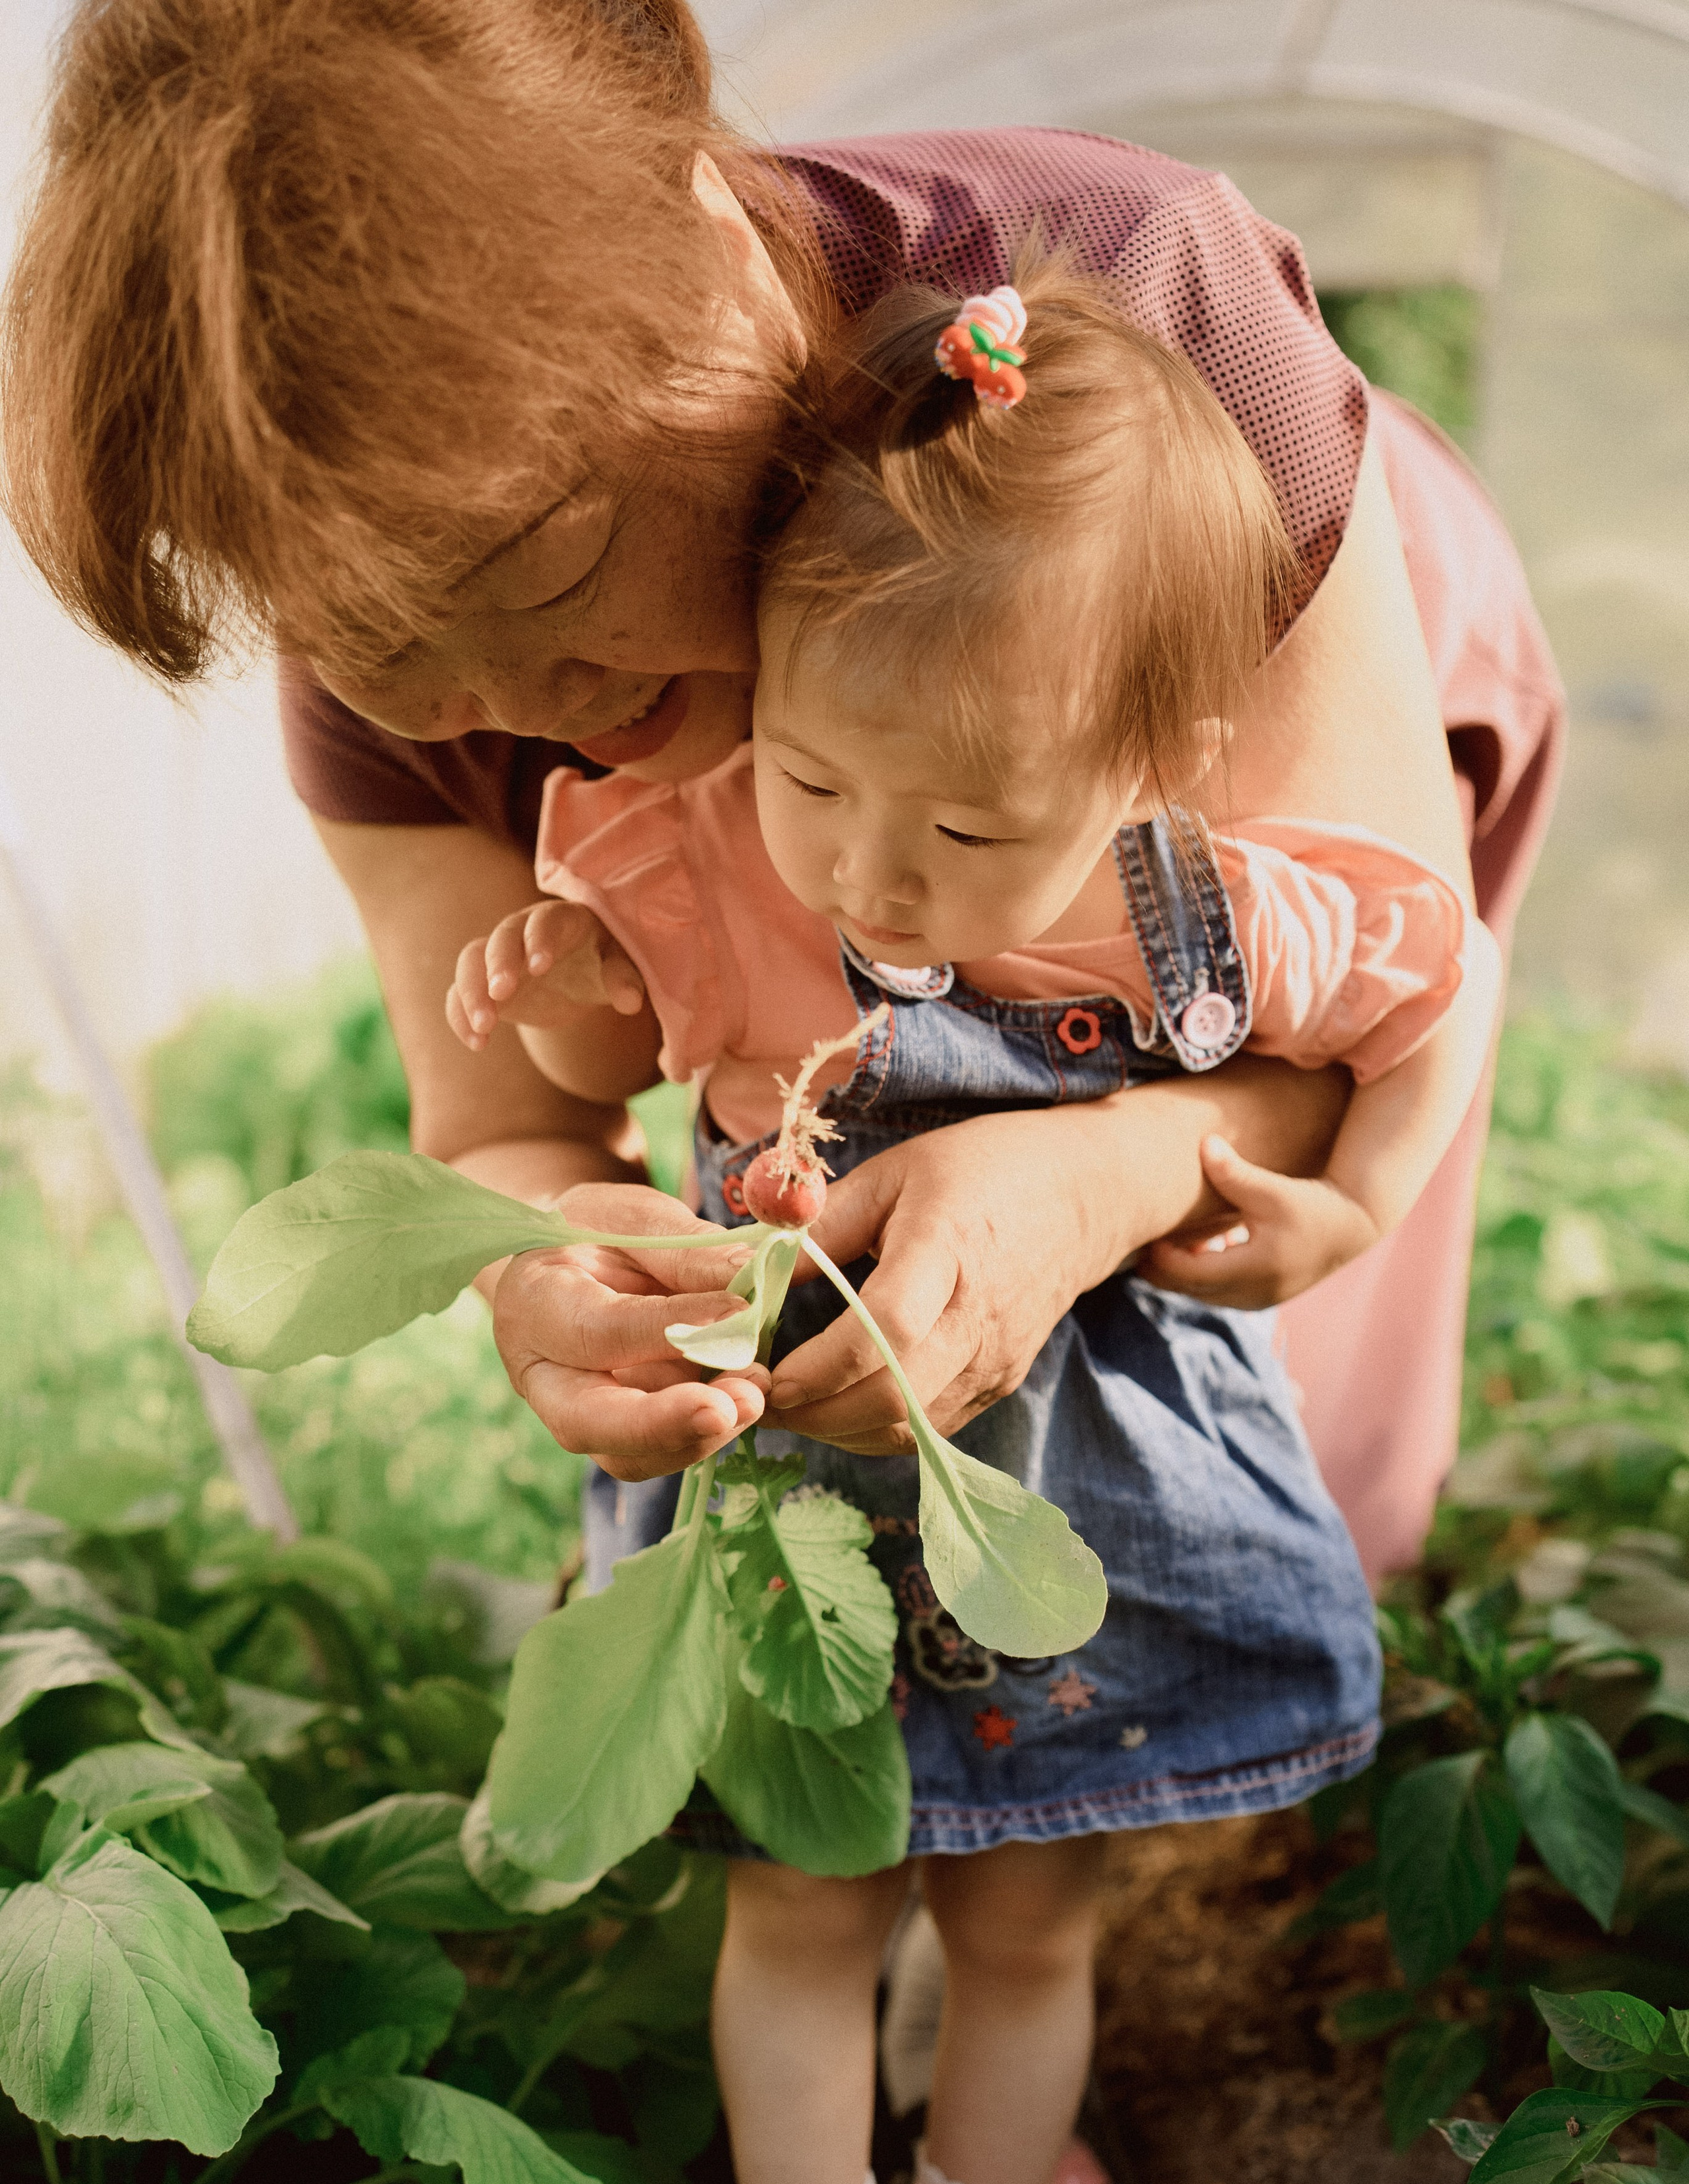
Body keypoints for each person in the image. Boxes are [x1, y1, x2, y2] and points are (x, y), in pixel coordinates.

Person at [0, 0, 1563, 1587]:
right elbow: (504, 1121)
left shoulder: (1144, 286)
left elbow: (1359, 1018)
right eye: (390, 653)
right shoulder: (365, 557)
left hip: (1282, 636)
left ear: (706, 238)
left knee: (1288, 1405)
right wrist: (544, 1265)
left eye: (552, 573)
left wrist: (1113, 1170)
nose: (525, 709)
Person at [440, 266, 1497, 2184]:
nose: (872, 869)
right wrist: (561, 996)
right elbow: (596, 1054)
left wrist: (1351, 1187)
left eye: (971, 829)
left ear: (1155, 762)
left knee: (1030, 1918)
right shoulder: (711, 850)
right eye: (818, 776)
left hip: (1075, 1495)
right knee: (806, 1900)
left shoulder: (1207, 908)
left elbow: (1436, 978)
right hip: (801, 1480)